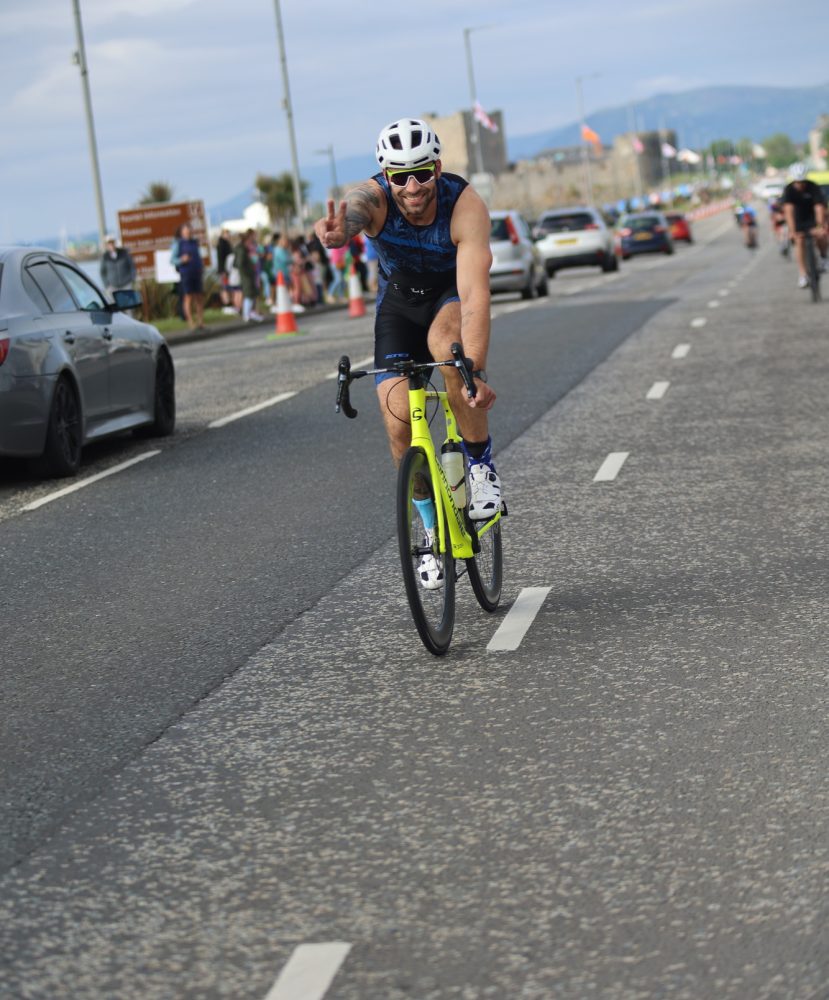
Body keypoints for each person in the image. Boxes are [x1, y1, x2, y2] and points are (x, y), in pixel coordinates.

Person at [314, 116, 501, 537]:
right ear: (387, 175)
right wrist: (339, 233)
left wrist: (475, 370)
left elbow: (473, 295)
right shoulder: (374, 199)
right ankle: (431, 528)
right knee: (398, 421)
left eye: (421, 172)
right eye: (401, 176)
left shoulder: (465, 205)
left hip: (447, 294)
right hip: (399, 301)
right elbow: (355, 209)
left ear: (436, 168)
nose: (412, 186)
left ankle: (481, 468)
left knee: (447, 348)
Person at [783, 164, 828, 288]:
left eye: (802, 182)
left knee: (821, 235)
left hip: (812, 218)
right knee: (799, 241)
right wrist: (792, 231)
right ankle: (803, 274)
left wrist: (820, 225)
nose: (800, 185)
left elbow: (819, 207)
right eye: (798, 182)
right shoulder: (789, 190)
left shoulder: (813, 186)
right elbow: (788, 211)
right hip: (798, 220)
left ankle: (824, 257)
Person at [172, 223, 204, 329]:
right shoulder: (178, 244)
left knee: (199, 297)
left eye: (189, 231)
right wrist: (182, 260)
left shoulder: (195, 242)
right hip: (186, 273)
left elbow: (198, 256)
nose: (188, 233)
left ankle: (200, 321)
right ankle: (190, 322)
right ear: (182, 233)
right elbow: (172, 260)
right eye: (186, 231)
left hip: (196, 273)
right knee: (188, 297)